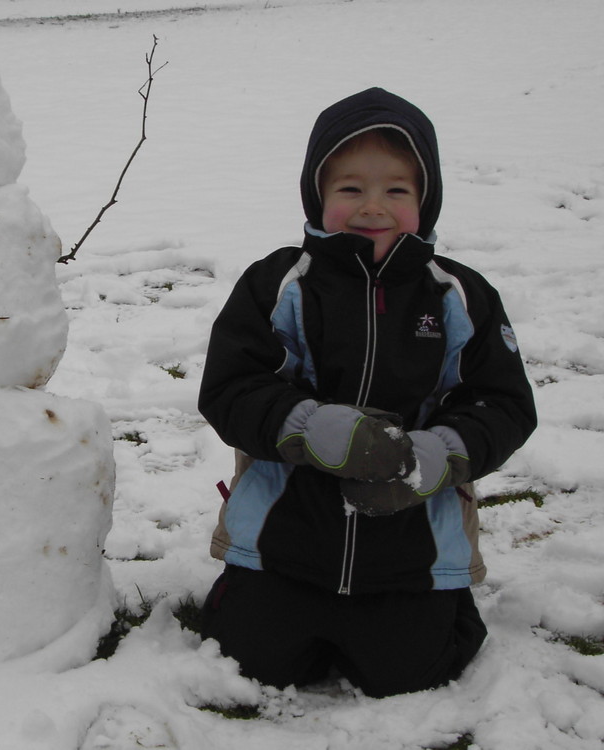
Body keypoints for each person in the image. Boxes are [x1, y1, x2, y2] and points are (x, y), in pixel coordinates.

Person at [197, 87, 537, 698]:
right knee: (247, 664)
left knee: (411, 674)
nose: (371, 207)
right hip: (285, 543)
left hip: (410, 553)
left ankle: (423, 612)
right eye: (350, 189)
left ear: (424, 200)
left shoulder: (458, 296)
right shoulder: (279, 284)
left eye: (396, 191)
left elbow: (503, 402)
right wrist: (310, 427)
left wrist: (440, 454)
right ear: (319, 196)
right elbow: (232, 387)